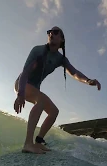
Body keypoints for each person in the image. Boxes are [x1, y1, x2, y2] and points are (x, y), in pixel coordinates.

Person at [14, 26, 101, 154]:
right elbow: (25, 73)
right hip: (22, 83)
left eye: (55, 32)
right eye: (49, 32)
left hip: (34, 88)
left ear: (62, 39)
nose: (51, 34)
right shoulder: (38, 50)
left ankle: (38, 141)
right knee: (41, 100)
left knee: (54, 112)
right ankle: (28, 143)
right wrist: (20, 94)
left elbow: (74, 72)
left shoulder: (60, 59)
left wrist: (88, 81)